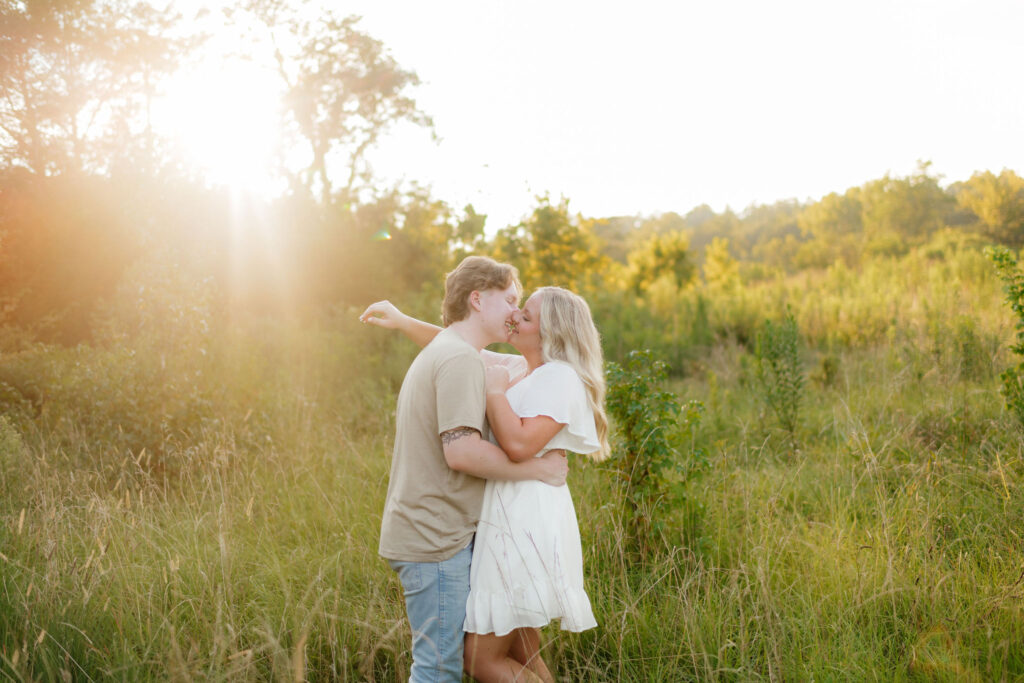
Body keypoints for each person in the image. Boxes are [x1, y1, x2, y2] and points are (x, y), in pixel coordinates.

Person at [362, 285, 609, 683]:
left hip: (525, 517)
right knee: (518, 650)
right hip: (503, 513)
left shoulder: (559, 378)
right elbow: (457, 345)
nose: (515, 317)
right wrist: (404, 321)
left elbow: (518, 444)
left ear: (550, 333)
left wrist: (494, 393)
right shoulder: (521, 369)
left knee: (479, 658)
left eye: (525, 315)